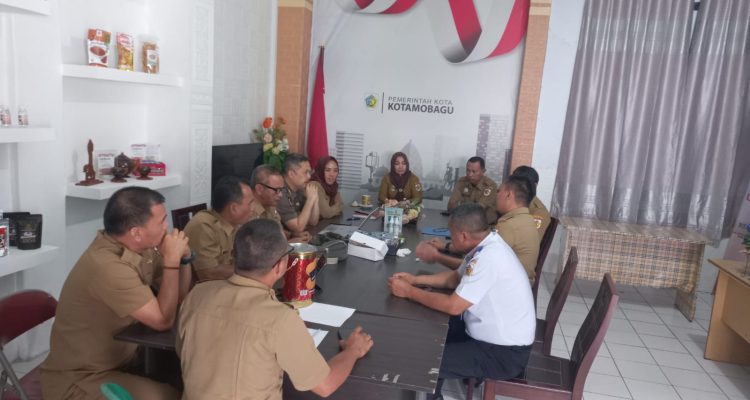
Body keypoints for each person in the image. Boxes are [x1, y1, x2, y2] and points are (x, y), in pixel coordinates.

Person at [177, 219, 374, 399]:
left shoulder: (197, 294)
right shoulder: (280, 319)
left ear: (233, 256)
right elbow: (325, 386)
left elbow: (183, 350)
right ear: (281, 266)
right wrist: (353, 350)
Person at [41, 187, 192, 400]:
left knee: (187, 374)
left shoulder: (143, 249)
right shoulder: (107, 266)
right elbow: (163, 321)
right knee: (169, 396)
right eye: (162, 222)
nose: (167, 227)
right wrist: (172, 261)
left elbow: (177, 299)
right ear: (136, 232)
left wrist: (184, 259)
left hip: (124, 358)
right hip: (81, 378)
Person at [388, 204, 535, 400]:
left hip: (503, 354)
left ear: (464, 235)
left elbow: (453, 306)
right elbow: (454, 279)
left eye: (452, 233)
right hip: (489, 336)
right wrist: (415, 281)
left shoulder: (489, 257)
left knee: (428, 360)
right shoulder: (487, 245)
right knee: (430, 329)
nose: (450, 237)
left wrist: (409, 292)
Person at [416, 176, 541, 283]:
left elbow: (474, 266)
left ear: (509, 194)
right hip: (514, 281)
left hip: (506, 287)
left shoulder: (510, 226)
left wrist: (437, 257)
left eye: (499, 191)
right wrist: (446, 247)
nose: (496, 196)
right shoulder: (526, 219)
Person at [183, 176, 257, 282]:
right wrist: (251, 272)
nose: (253, 208)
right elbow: (208, 273)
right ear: (233, 208)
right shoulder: (204, 226)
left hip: (226, 282)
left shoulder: (233, 223)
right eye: (250, 203)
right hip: (203, 290)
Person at [277, 153, 320, 235]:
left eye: (309, 172)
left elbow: (313, 222)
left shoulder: (299, 188)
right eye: (305, 172)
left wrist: (315, 198)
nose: (309, 176)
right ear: (291, 174)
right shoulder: (280, 192)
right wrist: (310, 200)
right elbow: (298, 228)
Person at [447, 156, 498, 224]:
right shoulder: (462, 182)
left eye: (474, 171)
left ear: (483, 171)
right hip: (464, 223)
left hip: (485, 226)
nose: (470, 174)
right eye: (468, 170)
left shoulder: (490, 186)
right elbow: (452, 204)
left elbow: (478, 209)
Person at [512, 165, 551, 237]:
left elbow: (528, 241)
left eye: (523, 184)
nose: (517, 188)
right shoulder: (510, 201)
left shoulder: (539, 212)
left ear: (534, 186)